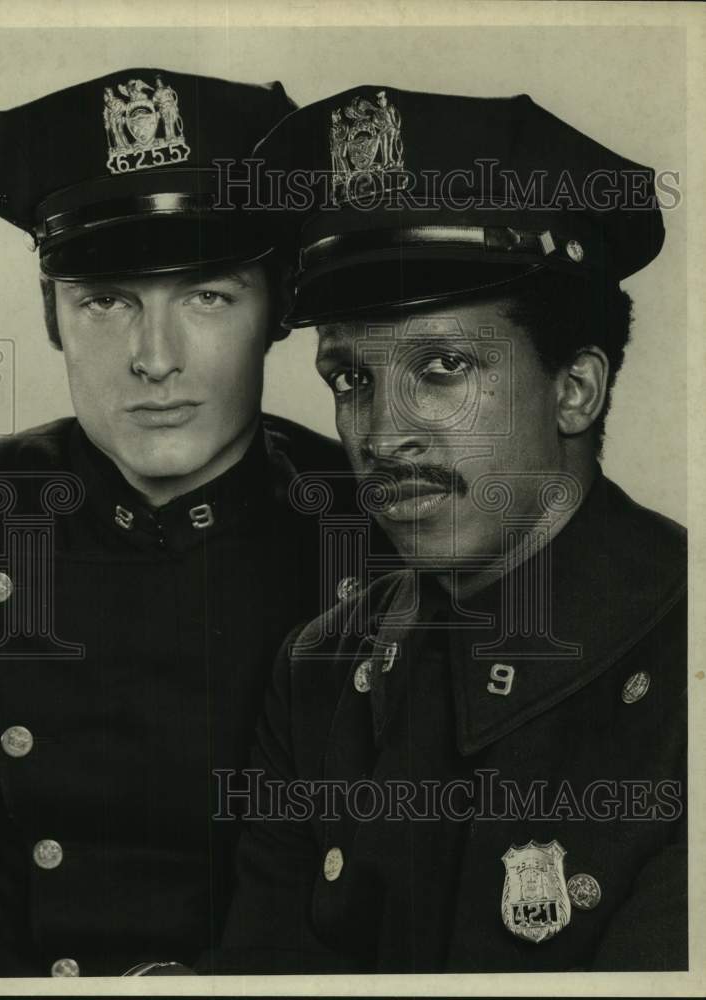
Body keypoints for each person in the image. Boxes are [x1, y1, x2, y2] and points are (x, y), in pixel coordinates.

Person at [207, 86, 687, 973]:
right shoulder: (318, 668)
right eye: (350, 379)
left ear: (574, 389)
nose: (381, 434)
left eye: (441, 367)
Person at [0, 68, 359, 978]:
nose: (153, 359)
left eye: (207, 296)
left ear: (279, 309)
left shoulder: (378, 524)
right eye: (106, 300)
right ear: (51, 318)